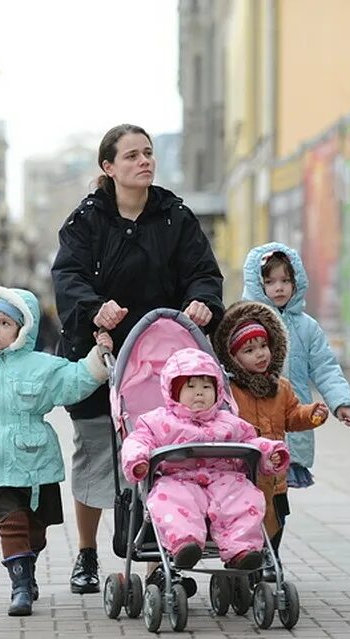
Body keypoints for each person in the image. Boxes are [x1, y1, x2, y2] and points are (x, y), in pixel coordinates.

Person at [51, 123, 225, 594]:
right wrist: (94, 307)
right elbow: (67, 276)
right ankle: (87, 553)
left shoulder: (174, 216)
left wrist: (203, 299)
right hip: (100, 354)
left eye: (148, 153)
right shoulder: (86, 220)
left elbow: (203, 272)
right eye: (131, 156)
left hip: (162, 360)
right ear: (108, 167)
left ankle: (158, 565)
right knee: (95, 454)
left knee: (162, 459)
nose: (144, 161)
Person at [0, 286, 113, 617]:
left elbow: (75, 379)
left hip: (38, 466)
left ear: (23, 330)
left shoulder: (43, 367)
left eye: (5, 323)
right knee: (11, 523)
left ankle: (28, 566)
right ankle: (20, 587)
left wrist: (98, 356)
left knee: (35, 529)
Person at [213, 300, 349, 580]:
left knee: (276, 519)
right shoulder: (229, 390)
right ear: (233, 357)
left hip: (274, 477)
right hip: (243, 476)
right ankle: (245, 562)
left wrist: (311, 414)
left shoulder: (281, 387)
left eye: (263, 346)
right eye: (249, 350)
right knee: (246, 520)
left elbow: (292, 416)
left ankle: (270, 557)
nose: (260, 354)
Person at [120, 347, 290, 570]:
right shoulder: (158, 421)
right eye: (190, 386)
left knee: (246, 498)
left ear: (218, 391)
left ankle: (241, 549)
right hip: (178, 478)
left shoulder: (228, 421)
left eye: (206, 386)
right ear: (173, 391)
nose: (199, 392)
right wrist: (138, 460)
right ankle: (185, 543)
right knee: (169, 499)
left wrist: (269, 452)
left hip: (224, 478)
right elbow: (138, 439)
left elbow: (250, 441)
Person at [242, 243, 350, 489]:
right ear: (257, 284)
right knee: (255, 486)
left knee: (280, 495)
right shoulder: (246, 323)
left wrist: (341, 402)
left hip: (293, 420)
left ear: (297, 281)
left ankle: (277, 527)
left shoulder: (307, 327)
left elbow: (325, 367)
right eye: (270, 282)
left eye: (285, 280)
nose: (279, 287)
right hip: (254, 421)